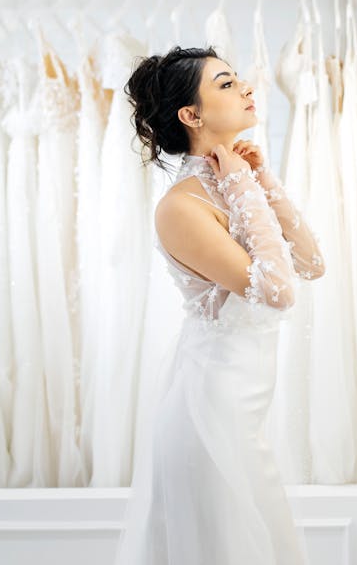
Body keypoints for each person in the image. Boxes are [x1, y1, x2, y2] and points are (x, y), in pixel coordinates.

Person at [116, 45, 325, 565]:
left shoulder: (240, 186)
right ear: (192, 115)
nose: (248, 88)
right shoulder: (181, 207)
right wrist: (237, 183)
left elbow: (311, 262)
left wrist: (261, 182)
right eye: (227, 84)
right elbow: (278, 290)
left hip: (244, 415)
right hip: (208, 418)